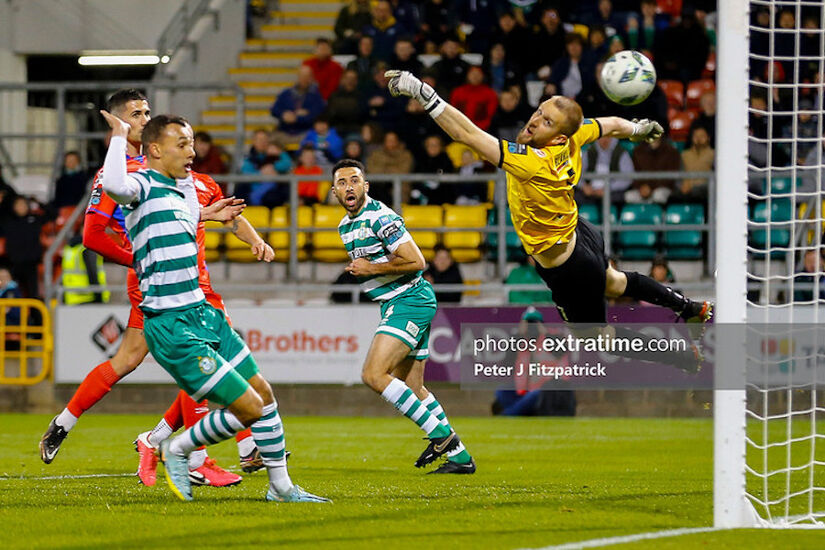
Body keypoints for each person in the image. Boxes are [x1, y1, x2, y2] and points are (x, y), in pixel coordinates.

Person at [385, 69, 711, 369]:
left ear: (556, 138)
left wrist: (420, 90)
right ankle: (691, 309)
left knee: (596, 336)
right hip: (581, 232)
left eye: (547, 122)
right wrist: (637, 129)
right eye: (540, 111)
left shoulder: (533, 162)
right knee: (614, 281)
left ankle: (683, 358)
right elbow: (610, 123)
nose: (535, 121)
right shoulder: (574, 135)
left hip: (568, 266)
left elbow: (466, 133)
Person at [39, 90, 274, 489]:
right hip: (162, 285)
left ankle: (79, 425)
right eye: (135, 113)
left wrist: (253, 238)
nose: (144, 117)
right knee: (205, 357)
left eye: (148, 111)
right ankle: (204, 450)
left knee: (129, 360)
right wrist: (145, 258)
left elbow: (219, 213)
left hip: (193, 282)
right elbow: (94, 235)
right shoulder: (125, 175)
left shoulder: (185, 174)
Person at [95, 111, 327, 503]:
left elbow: (181, 216)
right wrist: (120, 135)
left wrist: (209, 214)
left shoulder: (181, 189)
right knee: (250, 408)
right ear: (154, 149)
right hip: (171, 326)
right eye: (181, 144)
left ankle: (281, 487)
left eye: (192, 143)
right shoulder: (140, 184)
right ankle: (177, 448)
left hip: (205, 314)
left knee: (264, 394)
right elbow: (116, 185)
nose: (192, 151)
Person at [331, 158, 475, 474]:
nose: (349, 187)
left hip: (409, 300)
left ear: (365, 186)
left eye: (355, 180)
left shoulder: (380, 216)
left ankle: (442, 437)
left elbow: (417, 260)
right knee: (412, 385)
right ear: (335, 192)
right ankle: (460, 458)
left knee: (373, 374)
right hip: (399, 302)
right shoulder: (345, 226)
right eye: (342, 183)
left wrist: (372, 267)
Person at [269, 66, 326, 141]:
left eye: (307, 77)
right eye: (302, 76)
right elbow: (274, 109)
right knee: (270, 140)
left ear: (311, 78)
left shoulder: (316, 96)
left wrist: (298, 118)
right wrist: (283, 114)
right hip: (284, 131)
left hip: (306, 132)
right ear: (298, 76)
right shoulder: (286, 93)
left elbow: (318, 114)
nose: (304, 79)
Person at [3, 196, 44, 299]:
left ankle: (35, 315)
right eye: (18, 204)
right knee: (12, 292)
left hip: (31, 264)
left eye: (23, 204)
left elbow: (52, 214)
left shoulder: (34, 219)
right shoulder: (8, 221)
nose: (21, 207)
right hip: (14, 264)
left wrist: (38, 201)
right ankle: (13, 314)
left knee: (33, 294)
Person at [61, 231, 109, 305]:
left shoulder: (70, 248)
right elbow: (92, 274)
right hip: (89, 298)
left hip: (72, 298)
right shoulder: (87, 248)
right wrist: (99, 296)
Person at [449, 66, 498, 132]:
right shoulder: (457, 92)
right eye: (472, 73)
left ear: (483, 76)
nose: (475, 76)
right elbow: (452, 112)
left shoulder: (490, 94)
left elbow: (490, 116)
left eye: (478, 74)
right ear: (467, 75)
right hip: (459, 129)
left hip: (483, 131)